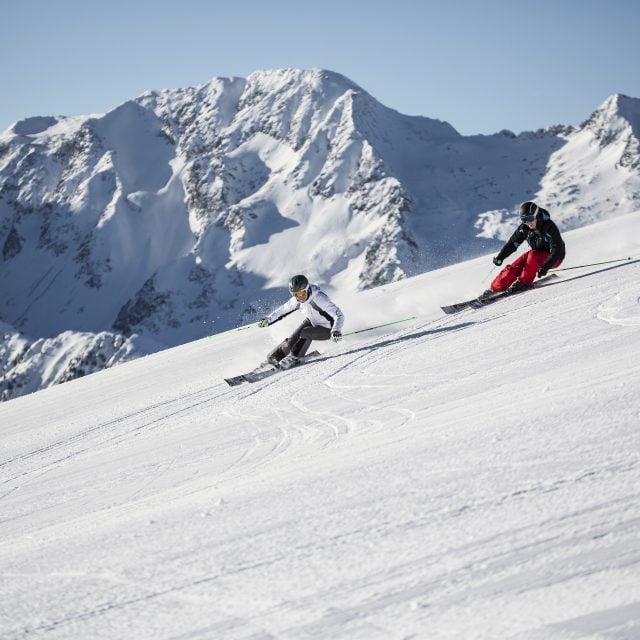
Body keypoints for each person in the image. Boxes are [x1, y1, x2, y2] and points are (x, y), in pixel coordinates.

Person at [257, 275, 345, 368]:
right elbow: (282, 311)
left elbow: (339, 315)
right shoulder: (296, 301)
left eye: (302, 293)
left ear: (307, 289)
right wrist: (268, 319)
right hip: (312, 322)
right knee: (290, 342)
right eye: (296, 294)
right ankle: (272, 360)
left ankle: (294, 357)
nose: (300, 297)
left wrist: (336, 330)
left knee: (305, 332)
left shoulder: (319, 298)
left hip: (328, 329)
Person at [483, 201, 566, 297]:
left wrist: (546, 267)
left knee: (533, 255)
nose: (528, 223)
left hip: (555, 258)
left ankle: (524, 282)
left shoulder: (549, 227)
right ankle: (496, 288)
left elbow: (557, 249)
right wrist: (500, 257)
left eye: (530, 219)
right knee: (517, 265)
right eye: (524, 220)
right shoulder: (524, 228)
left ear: (536, 215)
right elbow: (512, 244)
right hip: (537, 254)